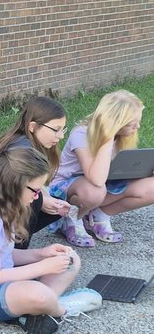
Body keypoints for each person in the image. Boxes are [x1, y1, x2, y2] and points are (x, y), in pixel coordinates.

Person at [0, 145, 102, 334]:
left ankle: (39, 308)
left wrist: (41, 254)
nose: (37, 196)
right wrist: (43, 267)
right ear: (14, 185)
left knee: (71, 259)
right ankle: (61, 308)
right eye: (35, 190)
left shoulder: (4, 207)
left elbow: (4, 254)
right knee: (38, 294)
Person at [0, 96, 74, 247]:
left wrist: (46, 199)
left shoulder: (25, 141)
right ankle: (16, 249)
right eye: (56, 130)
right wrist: (42, 200)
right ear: (33, 126)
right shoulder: (23, 149)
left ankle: (12, 243)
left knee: (47, 203)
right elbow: (7, 190)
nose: (61, 136)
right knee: (35, 201)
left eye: (63, 129)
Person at [50, 89, 154, 247]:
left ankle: (99, 216)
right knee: (94, 192)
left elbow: (114, 171)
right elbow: (96, 179)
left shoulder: (122, 137)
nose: (137, 126)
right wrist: (108, 136)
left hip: (101, 183)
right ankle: (73, 218)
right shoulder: (81, 134)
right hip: (66, 188)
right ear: (117, 122)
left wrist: (144, 172)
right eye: (132, 123)